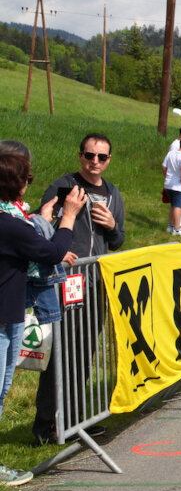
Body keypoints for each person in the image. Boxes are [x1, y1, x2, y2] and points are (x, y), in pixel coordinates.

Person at [34, 133, 126, 446]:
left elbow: (118, 240)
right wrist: (58, 247)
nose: (94, 162)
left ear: (109, 160)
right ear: (80, 156)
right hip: (67, 280)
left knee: (84, 351)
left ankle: (75, 419)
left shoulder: (112, 193)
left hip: (95, 281)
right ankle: (46, 424)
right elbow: (41, 225)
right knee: (62, 352)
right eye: (89, 155)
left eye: (101, 157)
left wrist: (112, 226)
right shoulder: (64, 186)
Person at [0, 152, 83, 491]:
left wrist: (42, 220)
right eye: (27, 179)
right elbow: (50, 252)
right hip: (3, 318)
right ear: (16, 185)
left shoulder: (13, 220)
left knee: (3, 389)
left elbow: (30, 242)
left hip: (10, 314)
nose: (28, 184)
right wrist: (68, 217)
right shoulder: (9, 224)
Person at [161, 136, 181, 236]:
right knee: (178, 207)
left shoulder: (170, 153)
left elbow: (163, 167)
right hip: (179, 186)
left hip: (169, 184)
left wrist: (166, 176)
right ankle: (177, 229)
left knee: (173, 205)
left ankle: (170, 226)